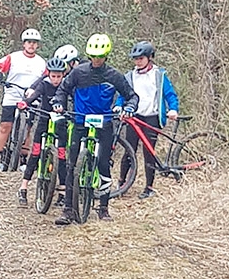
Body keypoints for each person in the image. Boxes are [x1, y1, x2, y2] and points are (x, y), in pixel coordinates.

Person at [52, 34, 137, 226]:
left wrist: (129, 108)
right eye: (93, 56)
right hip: (80, 122)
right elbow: (62, 90)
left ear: (106, 56)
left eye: (100, 57)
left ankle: (103, 208)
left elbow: (131, 96)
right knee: (72, 164)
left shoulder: (114, 75)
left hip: (105, 123)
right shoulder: (78, 72)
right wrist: (59, 103)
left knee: (103, 164)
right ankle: (68, 210)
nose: (96, 60)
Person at [16, 47, 77, 206]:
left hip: (60, 122)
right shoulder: (44, 84)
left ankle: (62, 192)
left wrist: (74, 111)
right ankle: (24, 187)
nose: (56, 79)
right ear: (48, 74)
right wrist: (25, 103)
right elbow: (35, 95)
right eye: (53, 76)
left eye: (59, 76)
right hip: (44, 120)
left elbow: (74, 100)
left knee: (62, 156)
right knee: (35, 153)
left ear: (64, 74)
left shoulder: (65, 85)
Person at [122, 41, 180, 198]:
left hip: (151, 117)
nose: (138, 61)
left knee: (149, 152)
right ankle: (121, 184)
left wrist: (173, 109)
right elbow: (123, 95)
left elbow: (170, 94)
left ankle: (149, 187)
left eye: (141, 58)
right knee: (129, 149)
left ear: (149, 58)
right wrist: (118, 106)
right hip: (134, 117)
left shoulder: (158, 75)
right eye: (135, 59)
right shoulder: (129, 76)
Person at [0, 28, 48, 171]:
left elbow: (47, 77)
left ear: (37, 45)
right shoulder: (14, 57)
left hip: (31, 97)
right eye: (29, 42)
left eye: (34, 43)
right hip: (12, 94)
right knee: (5, 126)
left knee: (27, 128)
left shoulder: (41, 62)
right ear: (24, 44)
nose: (31, 45)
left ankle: (23, 160)